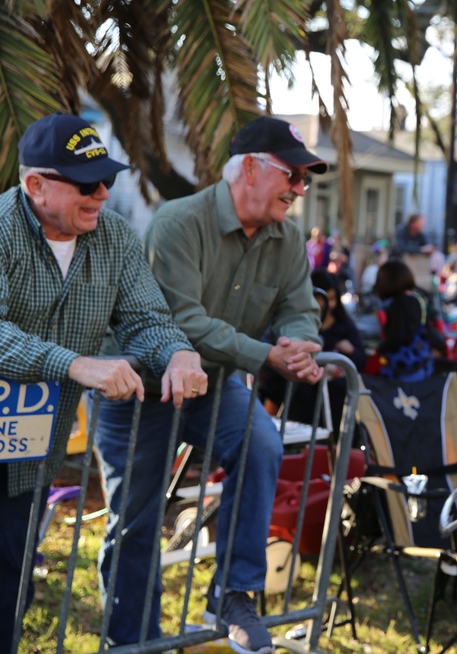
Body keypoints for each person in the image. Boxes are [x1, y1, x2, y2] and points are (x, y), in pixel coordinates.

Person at [94, 115, 328, 654]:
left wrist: (301, 345)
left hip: (215, 383)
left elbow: (300, 307)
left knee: (262, 442)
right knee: (135, 523)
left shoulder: (288, 238)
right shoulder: (179, 221)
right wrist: (270, 354)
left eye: (303, 180)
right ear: (249, 169)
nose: (299, 189)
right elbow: (183, 323)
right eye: (291, 175)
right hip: (139, 386)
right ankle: (132, 643)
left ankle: (233, 593)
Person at [0, 113, 207, 654]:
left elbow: (145, 317)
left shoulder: (113, 235)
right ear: (35, 184)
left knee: (10, 590)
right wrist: (74, 363)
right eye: (85, 183)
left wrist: (179, 351)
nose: (101, 193)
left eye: (107, 179)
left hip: (28, 454)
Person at [259, 269, 367, 435]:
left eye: (332, 299)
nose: (328, 305)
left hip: (331, 393)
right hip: (295, 389)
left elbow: (360, 359)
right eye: (323, 298)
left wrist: (348, 353)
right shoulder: (293, 321)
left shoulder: (344, 324)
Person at [373, 259, 439, 382]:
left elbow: (397, 337)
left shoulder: (397, 304)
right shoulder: (418, 299)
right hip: (420, 364)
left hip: (402, 368)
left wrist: (380, 349)